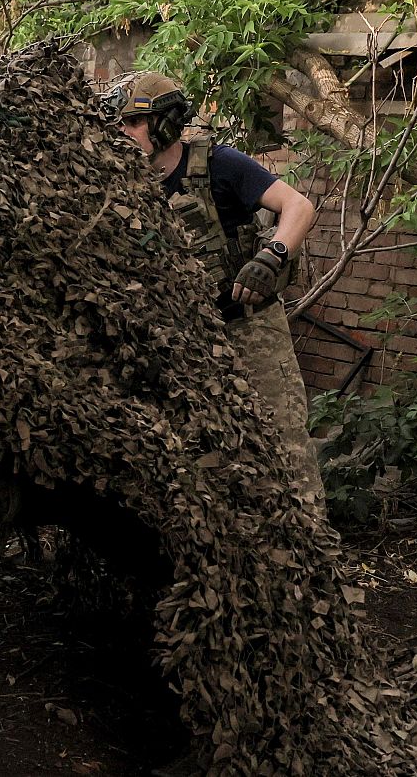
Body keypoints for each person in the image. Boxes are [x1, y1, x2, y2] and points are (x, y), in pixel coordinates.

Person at [109, 71, 327, 510]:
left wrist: (272, 256)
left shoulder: (218, 164)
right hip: (184, 341)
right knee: (197, 453)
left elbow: (299, 206)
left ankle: (311, 553)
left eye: (133, 123)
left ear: (164, 124)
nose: (122, 133)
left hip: (248, 330)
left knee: (282, 442)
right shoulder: (121, 185)